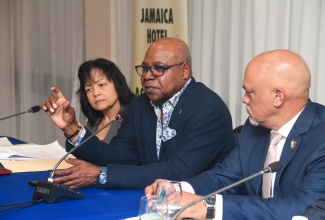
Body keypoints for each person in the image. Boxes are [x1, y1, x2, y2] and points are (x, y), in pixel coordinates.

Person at [145, 49, 325, 219]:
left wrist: (208, 206)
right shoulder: (255, 126)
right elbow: (224, 176)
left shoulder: (321, 138)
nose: (244, 99)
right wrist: (177, 189)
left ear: (278, 96)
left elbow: (301, 208)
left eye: (250, 92)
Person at [41, 37, 236, 189]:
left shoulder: (208, 108)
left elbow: (180, 170)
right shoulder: (140, 105)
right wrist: (71, 128)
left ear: (184, 71)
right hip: (154, 199)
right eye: (144, 69)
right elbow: (117, 156)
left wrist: (101, 175)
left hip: (199, 204)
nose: (147, 76)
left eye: (158, 69)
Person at [43, 58, 135, 145]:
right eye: (89, 89)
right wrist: (69, 127)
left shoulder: (133, 119)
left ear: (118, 84)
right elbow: (83, 153)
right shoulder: (94, 121)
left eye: (101, 85)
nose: (95, 93)